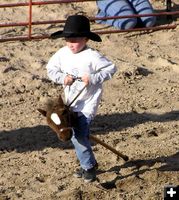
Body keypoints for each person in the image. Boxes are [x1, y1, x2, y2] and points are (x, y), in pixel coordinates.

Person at [46, 15, 117, 183]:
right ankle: (88, 163)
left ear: (85, 39)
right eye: (67, 40)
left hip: (87, 104)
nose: (71, 44)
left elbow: (111, 69)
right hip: (69, 104)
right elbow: (51, 69)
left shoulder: (93, 56)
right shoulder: (62, 54)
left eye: (75, 40)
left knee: (78, 136)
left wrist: (93, 78)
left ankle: (88, 167)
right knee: (74, 134)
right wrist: (63, 78)